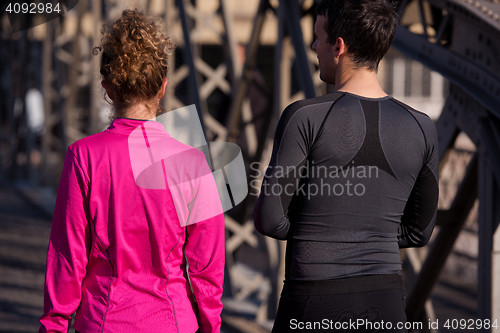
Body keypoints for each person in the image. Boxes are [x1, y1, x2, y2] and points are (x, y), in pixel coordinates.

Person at [254, 0, 439, 332]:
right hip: (385, 303)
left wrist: (317, 232)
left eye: (318, 37)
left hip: (312, 301)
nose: (313, 45)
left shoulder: (304, 117)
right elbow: (419, 232)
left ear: (338, 46)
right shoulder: (422, 127)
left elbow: (269, 220)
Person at [39, 9, 225, 333]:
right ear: (163, 87)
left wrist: (54, 325)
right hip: (173, 322)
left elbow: (67, 260)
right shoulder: (194, 163)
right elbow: (207, 267)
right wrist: (211, 326)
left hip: (103, 322)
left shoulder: (83, 157)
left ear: (108, 88)